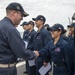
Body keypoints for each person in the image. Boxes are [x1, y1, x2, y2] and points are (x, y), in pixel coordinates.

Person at [0, 2, 36, 75]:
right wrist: (34, 54)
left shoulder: (1, 25)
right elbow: (22, 52)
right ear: (14, 12)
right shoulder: (11, 29)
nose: (22, 18)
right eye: (21, 15)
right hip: (6, 70)